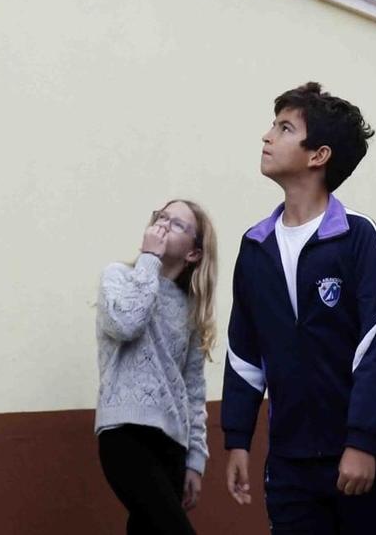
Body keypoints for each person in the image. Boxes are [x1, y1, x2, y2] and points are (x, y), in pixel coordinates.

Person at [221, 84, 376, 533]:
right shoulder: (255, 247)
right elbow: (244, 352)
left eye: (285, 127)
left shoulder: (358, 237)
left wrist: (361, 441)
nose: (267, 136)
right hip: (290, 463)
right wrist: (237, 439)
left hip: (366, 454)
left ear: (318, 156)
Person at [96, 198, 218, 535]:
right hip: (125, 434)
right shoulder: (117, 277)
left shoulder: (190, 308)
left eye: (177, 224)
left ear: (193, 253)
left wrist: (196, 459)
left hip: (173, 446)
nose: (163, 224)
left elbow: (193, 389)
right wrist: (148, 259)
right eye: (161, 216)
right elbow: (125, 324)